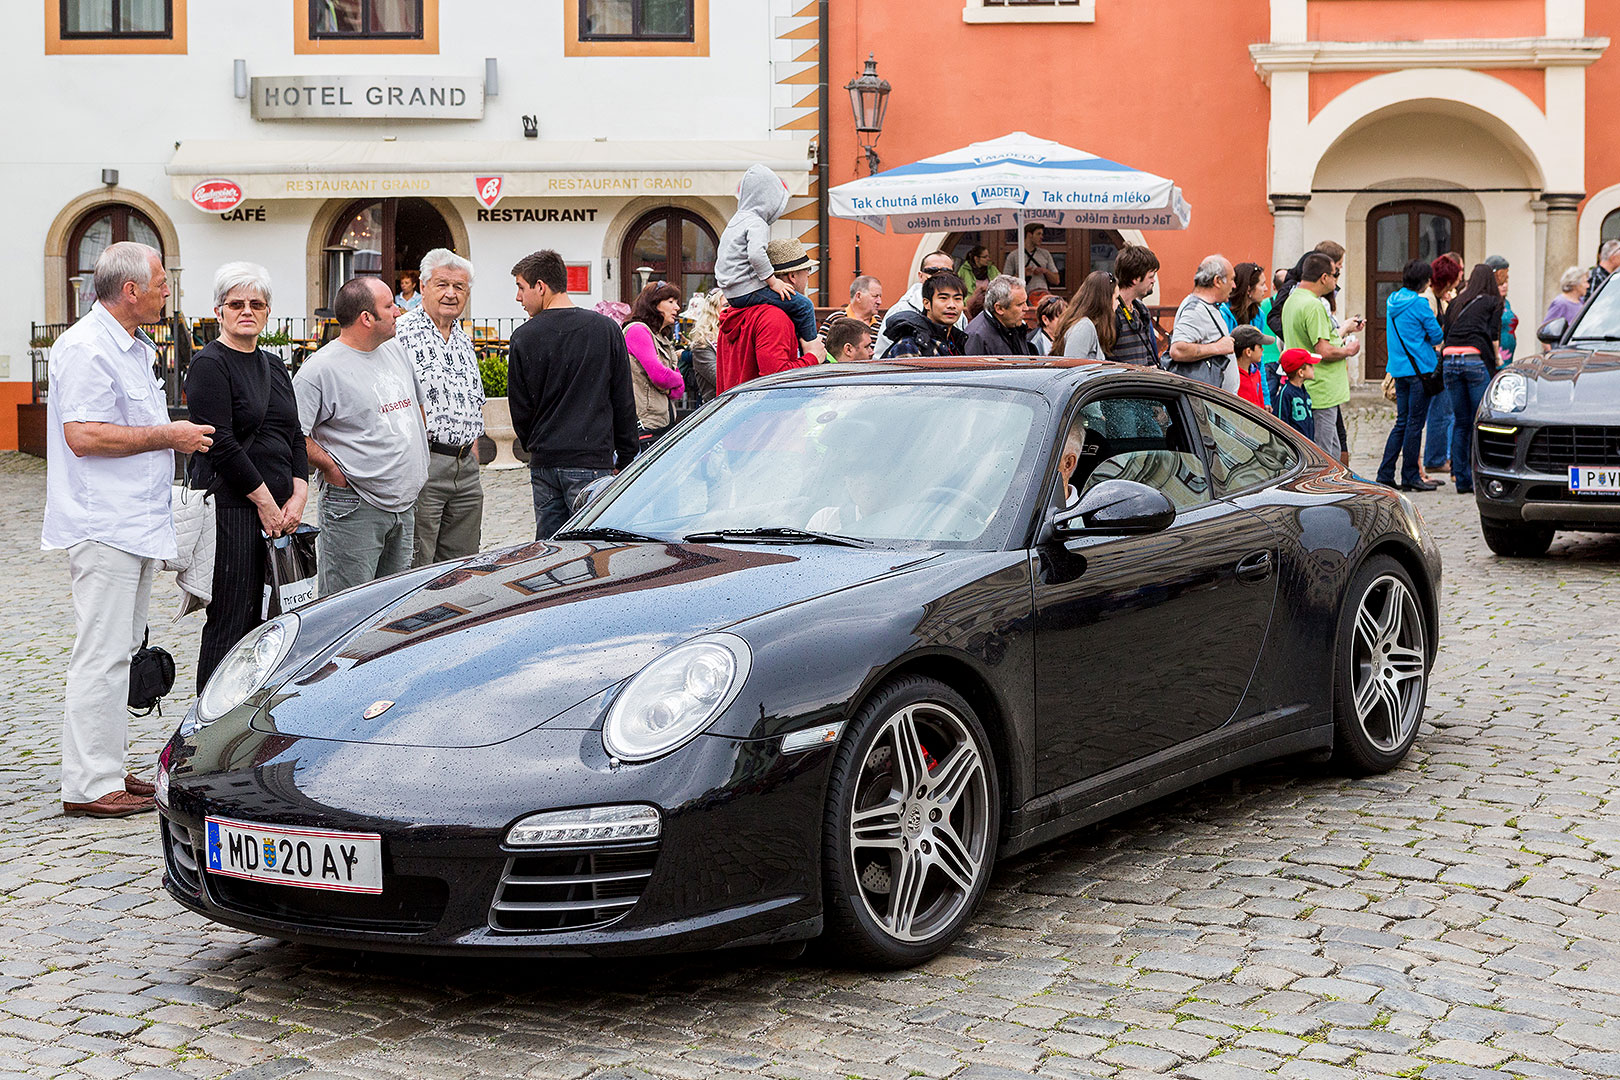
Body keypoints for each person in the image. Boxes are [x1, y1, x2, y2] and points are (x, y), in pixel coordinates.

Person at [43, 241, 215, 818]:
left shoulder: (132, 346)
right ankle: (89, 784)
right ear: (131, 290)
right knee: (102, 654)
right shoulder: (87, 348)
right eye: (162, 280)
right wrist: (171, 436)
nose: (169, 289)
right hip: (103, 522)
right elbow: (84, 436)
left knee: (123, 651)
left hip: (135, 520)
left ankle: (108, 767)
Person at [184, 261, 309, 690]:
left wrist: (300, 492)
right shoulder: (209, 365)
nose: (246, 310)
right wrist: (266, 504)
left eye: (256, 303)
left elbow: (293, 433)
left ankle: (259, 715)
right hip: (234, 511)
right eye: (236, 303)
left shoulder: (274, 366)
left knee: (277, 622)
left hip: (281, 516)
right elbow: (221, 444)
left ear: (268, 311)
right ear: (218, 311)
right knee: (231, 621)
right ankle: (209, 728)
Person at [295, 277, 429, 594]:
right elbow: (291, 435)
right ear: (366, 318)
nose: (398, 311)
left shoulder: (395, 350)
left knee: (392, 604)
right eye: (389, 306)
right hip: (355, 506)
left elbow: (418, 406)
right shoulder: (320, 370)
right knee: (348, 607)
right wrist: (331, 468)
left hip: (404, 504)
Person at [507, 250, 639, 538]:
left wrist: (537, 444)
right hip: (592, 460)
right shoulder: (605, 330)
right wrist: (627, 456)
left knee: (548, 550)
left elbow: (519, 408)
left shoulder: (524, 336)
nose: (518, 297)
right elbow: (622, 399)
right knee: (593, 549)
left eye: (520, 287)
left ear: (540, 287)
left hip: (545, 462)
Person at [394, 249, 484, 568]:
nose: (450, 293)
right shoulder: (400, 334)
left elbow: (473, 398)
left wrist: (470, 451)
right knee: (418, 562)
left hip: (465, 467)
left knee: (462, 565)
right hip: (424, 463)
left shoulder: (462, 337)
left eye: (459, 287)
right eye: (442, 284)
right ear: (422, 286)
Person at [714, 164, 823, 359]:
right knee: (804, 306)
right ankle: (810, 349)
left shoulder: (735, 221)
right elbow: (756, 254)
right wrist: (773, 282)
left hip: (732, 292)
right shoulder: (757, 222)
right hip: (748, 289)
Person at [716, 238, 825, 392]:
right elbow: (775, 378)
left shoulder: (736, 312)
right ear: (793, 276)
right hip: (769, 414)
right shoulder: (774, 318)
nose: (808, 277)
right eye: (808, 271)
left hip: (738, 411)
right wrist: (813, 358)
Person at [1281, 252, 1361, 462]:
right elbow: (1323, 351)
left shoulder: (1293, 300)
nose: (1336, 280)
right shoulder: (1313, 305)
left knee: (1330, 447)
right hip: (1322, 388)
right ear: (1324, 277)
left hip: (1313, 386)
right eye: (1335, 275)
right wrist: (1348, 350)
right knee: (1325, 454)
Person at [1376, 259, 1445, 492]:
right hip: (1420, 371)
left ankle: (1385, 473)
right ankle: (1410, 476)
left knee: (1402, 423)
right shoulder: (1420, 304)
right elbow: (1436, 336)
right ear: (1425, 281)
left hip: (1399, 369)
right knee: (1415, 424)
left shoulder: (1392, 300)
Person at [1441, 263, 1506, 496]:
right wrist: (1497, 362)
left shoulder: (1456, 302)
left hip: (1449, 361)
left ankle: (1461, 479)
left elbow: (1446, 333)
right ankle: (1482, 475)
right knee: (1481, 421)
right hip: (1474, 360)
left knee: (1460, 422)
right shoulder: (1493, 301)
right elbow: (1494, 335)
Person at [624, 282, 687, 446]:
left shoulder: (662, 338)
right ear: (653, 304)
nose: (677, 308)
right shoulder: (637, 330)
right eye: (671, 302)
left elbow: (678, 392)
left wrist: (671, 383)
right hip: (645, 426)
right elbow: (660, 376)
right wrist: (674, 381)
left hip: (662, 425)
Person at [1423, 252, 1466, 474]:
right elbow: (1434, 333)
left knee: (1442, 412)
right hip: (1433, 362)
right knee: (1440, 412)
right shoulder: (1429, 299)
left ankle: (1438, 456)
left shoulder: (1439, 298)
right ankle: (1435, 458)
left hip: (1436, 361)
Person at [874, 249, 960, 358]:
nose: (939, 276)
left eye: (946, 272)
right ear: (920, 276)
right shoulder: (901, 310)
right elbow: (881, 358)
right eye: (932, 271)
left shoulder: (956, 311)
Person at [1168, 255, 1237, 389]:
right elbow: (1177, 350)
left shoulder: (1204, 306)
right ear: (1217, 281)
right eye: (1231, 279)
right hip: (1204, 403)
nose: (1234, 286)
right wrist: (1217, 347)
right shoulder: (1196, 310)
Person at [880, 273, 967, 358]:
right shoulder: (910, 345)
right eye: (943, 298)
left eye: (957, 299)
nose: (952, 305)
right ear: (927, 303)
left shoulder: (956, 341)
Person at [1111, 245, 1161, 367]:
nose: (1153, 281)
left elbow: (1148, 355)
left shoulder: (1141, 310)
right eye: (1151, 276)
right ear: (1135, 278)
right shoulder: (1111, 312)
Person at [1052, 270, 1118, 360]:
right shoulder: (1084, 327)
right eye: (1116, 298)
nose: (1118, 303)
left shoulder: (1087, 325)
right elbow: (1073, 368)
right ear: (1105, 299)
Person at [963, 276, 1035, 356]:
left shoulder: (1015, 326)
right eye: (1020, 304)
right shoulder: (976, 336)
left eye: (1025, 302)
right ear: (999, 308)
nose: (1026, 308)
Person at [681, 288, 725, 403]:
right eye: (726, 305)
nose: (731, 310)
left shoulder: (736, 336)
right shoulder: (703, 344)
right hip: (718, 409)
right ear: (712, 310)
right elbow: (720, 380)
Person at [1256, 268, 1288, 410]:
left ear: (1274, 287)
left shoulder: (1263, 305)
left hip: (1267, 358)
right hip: (1285, 360)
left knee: (1268, 404)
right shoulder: (1291, 306)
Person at [820, 276, 883, 340]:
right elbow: (818, 348)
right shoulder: (836, 319)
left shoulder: (879, 323)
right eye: (875, 296)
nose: (879, 302)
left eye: (880, 297)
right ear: (858, 296)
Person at [1276, 347, 1317, 442]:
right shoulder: (1285, 393)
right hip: (1294, 445)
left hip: (1308, 443)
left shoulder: (1303, 391)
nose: (1313, 368)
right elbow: (1280, 422)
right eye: (1310, 365)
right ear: (1301, 372)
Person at [1004, 223, 1059, 293]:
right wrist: (1021, 274)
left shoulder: (1045, 254)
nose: (1041, 237)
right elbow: (1005, 283)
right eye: (1038, 234)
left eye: (1042, 234)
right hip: (1021, 297)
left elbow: (1056, 280)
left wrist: (1045, 271)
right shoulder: (1013, 256)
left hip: (1042, 297)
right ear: (1029, 235)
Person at [1542, 264, 1589, 332]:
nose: (1588, 286)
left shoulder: (1581, 302)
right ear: (1575, 284)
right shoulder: (1560, 303)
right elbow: (1546, 330)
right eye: (1585, 282)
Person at [1231, 324, 1265, 407]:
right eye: (1260, 346)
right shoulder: (1232, 376)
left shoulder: (1256, 373)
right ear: (1248, 352)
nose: (1262, 349)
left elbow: (1260, 402)